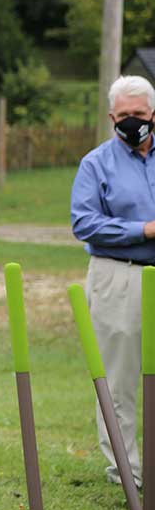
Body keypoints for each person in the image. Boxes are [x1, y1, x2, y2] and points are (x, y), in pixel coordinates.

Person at [70, 74, 155, 489]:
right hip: (118, 274)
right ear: (111, 117)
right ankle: (129, 474)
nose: (132, 122)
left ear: (153, 114)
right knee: (119, 382)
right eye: (123, 116)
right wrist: (143, 230)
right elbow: (84, 222)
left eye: (138, 115)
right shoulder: (96, 163)